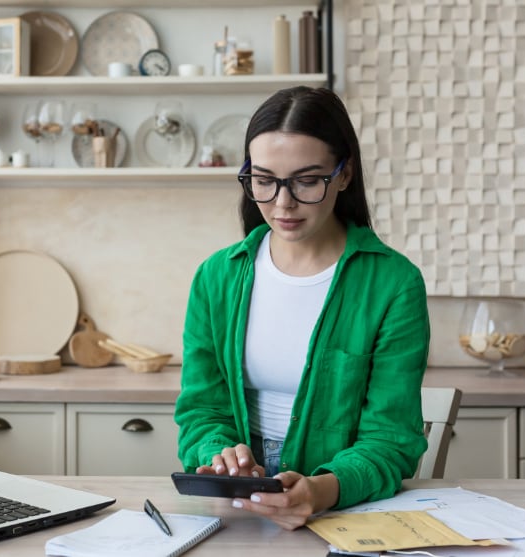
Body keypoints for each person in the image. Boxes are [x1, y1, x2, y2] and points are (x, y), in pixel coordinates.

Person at [174, 86, 430, 530]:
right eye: (264, 179)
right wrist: (221, 453)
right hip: (235, 507)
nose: (282, 202)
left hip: (342, 507)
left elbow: (391, 440)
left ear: (344, 174)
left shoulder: (393, 284)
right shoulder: (216, 277)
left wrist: (322, 489)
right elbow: (201, 410)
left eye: (307, 180)